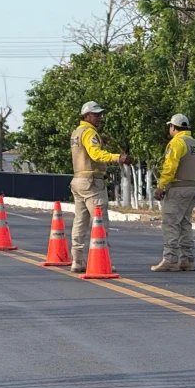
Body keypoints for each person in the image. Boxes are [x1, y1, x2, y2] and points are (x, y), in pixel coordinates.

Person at [70, 101, 131, 273]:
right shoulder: (89, 133)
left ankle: (77, 260)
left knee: (80, 221)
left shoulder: (77, 132)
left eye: (100, 114)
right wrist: (117, 157)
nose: (99, 118)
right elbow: (95, 153)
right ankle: (101, 260)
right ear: (86, 116)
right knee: (99, 222)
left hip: (79, 180)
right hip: (91, 183)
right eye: (96, 115)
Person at [151, 113, 195, 272]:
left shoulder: (177, 143)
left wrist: (161, 186)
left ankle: (170, 259)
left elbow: (170, 167)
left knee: (171, 223)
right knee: (184, 223)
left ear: (173, 127)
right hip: (193, 187)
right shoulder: (194, 143)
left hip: (178, 188)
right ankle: (187, 259)